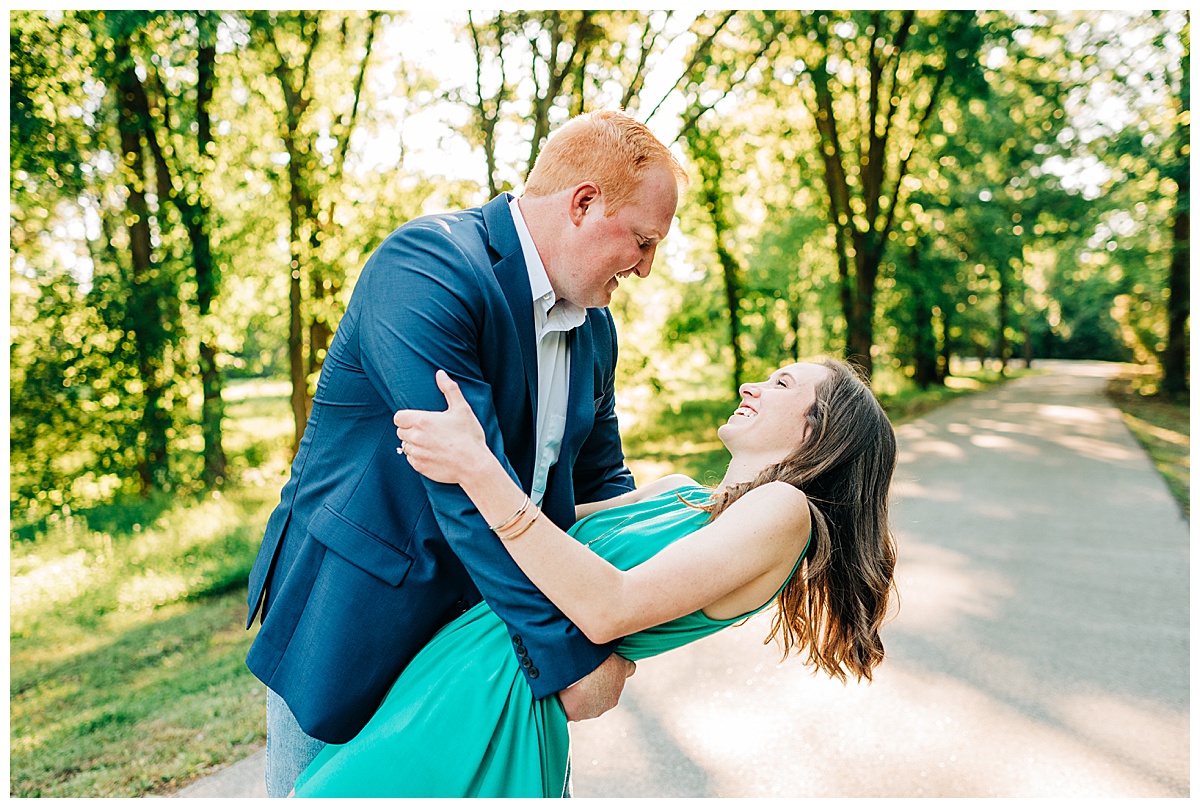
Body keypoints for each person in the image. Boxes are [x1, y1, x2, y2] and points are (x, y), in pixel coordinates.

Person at [243, 109, 689, 797]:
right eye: (642, 240)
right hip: (357, 622)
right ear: (583, 203)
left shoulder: (594, 331)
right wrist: (569, 656)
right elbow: (465, 490)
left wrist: (658, 578)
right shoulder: (427, 269)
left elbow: (600, 484)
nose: (648, 267)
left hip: (487, 643)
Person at [292, 358, 898, 797]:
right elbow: (535, 531)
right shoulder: (680, 495)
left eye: (782, 383)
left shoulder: (785, 512)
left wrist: (477, 465)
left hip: (495, 702)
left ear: (818, 429)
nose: (752, 384)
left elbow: (611, 605)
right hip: (453, 669)